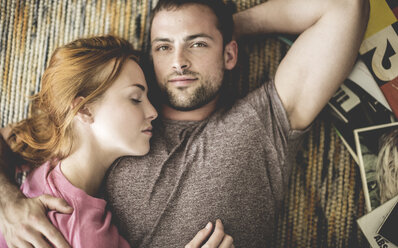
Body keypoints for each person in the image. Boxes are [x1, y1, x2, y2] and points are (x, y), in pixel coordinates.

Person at [0, 0, 369, 247]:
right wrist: (8, 203)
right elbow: (26, 140)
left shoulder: (261, 123)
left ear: (229, 53)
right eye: (163, 46)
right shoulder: (111, 113)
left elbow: (345, 6)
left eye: (197, 45)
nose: (178, 61)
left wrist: (225, 26)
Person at [0, 35, 234, 248]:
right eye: (135, 98)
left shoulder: (46, 169)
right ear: (85, 110)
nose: (152, 111)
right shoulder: (84, 229)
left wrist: (9, 201)